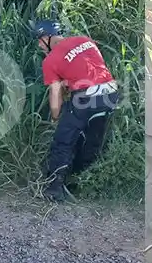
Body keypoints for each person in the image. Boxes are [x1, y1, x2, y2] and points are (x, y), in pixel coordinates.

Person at [31, 18, 121, 203]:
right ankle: (82, 182)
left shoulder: (50, 60)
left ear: (46, 38)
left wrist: (56, 116)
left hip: (86, 97)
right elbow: (86, 67)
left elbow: (55, 93)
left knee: (63, 141)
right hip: (111, 93)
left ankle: (53, 189)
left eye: (39, 41)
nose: (39, 46)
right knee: (92, 141)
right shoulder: (84, 40)